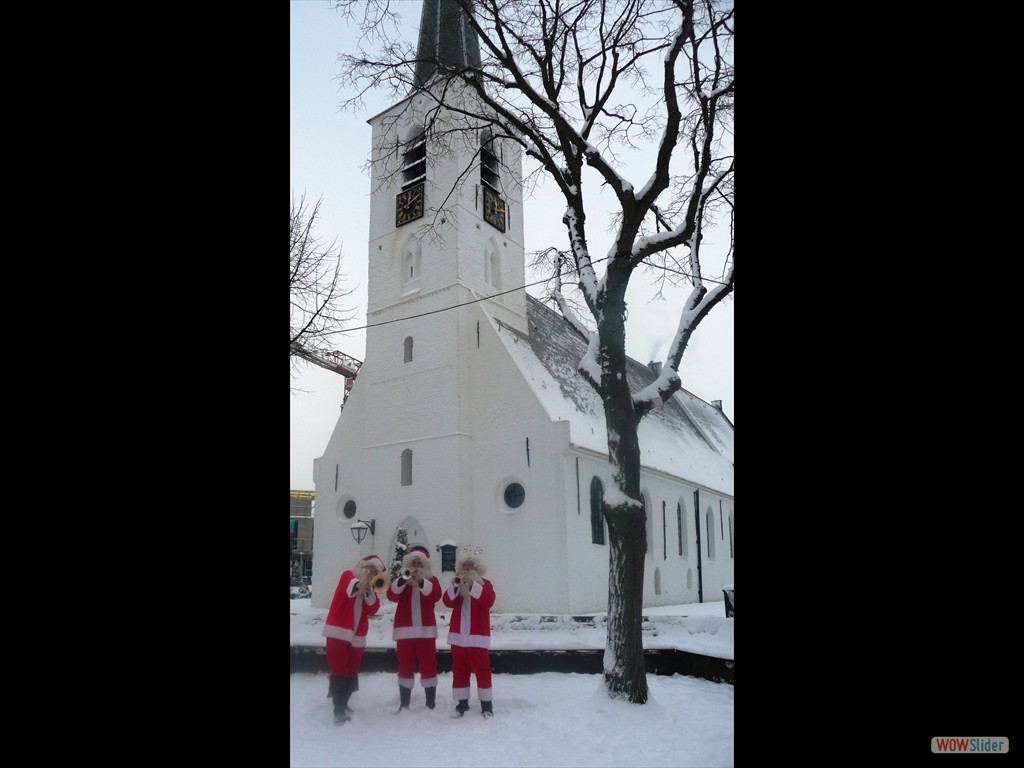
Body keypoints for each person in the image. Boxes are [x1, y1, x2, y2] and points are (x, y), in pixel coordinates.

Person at [322, 554, 386, 723]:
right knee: (338, 669)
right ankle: (338, 707)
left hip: (357, 635)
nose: (370, 571)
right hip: (338, 631)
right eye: (369, 568)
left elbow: (373, 608)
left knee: (351, 670)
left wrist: (369, 591)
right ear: (362, 566)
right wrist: (360, 584)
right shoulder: (348, 575)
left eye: (374, 571)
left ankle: (344, 702)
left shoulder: (370, 588)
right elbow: (349, 583)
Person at [387, 544, 442, 712]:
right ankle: (404, 704)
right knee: (405, 666)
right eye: (414, 563)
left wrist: (421, 582)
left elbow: (435, 596)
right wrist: (403, 579)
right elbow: (392, 595)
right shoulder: (402, 579)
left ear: (425, 566)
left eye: (420, 564)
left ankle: (430, 704)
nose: (416, 567)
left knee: (429, 665)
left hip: (426, 632)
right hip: (405, 632)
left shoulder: (432, 581)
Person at [442, 545, 496, 718]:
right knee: (459, 670)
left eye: (471, 566)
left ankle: (486, 705)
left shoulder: (485, 584)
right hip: (458, 637)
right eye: (464, 566)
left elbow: (488, 602)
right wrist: (455, 586)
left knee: (482, 670)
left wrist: (473, 584)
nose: (467, 569)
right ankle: (462, 704)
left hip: (477, 637)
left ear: (478, 569)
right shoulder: (458, 584)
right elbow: (447, 602)